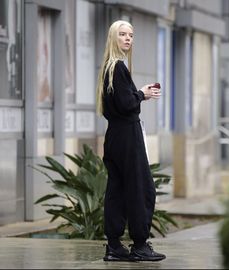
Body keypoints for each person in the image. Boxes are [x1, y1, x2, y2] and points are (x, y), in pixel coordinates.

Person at [96, 20, 166, 262]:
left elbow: (117, 103)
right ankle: (139, 244)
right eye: (122, 34)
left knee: (117, 190)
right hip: (127, 135)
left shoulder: (109, 67)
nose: (128, 39)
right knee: (142, 188)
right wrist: (142, 94)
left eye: (131, 35)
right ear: (113, 38)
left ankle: (114, 245)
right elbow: (127, 104)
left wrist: (138, 94)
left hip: (115, 135)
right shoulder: (118, 67)